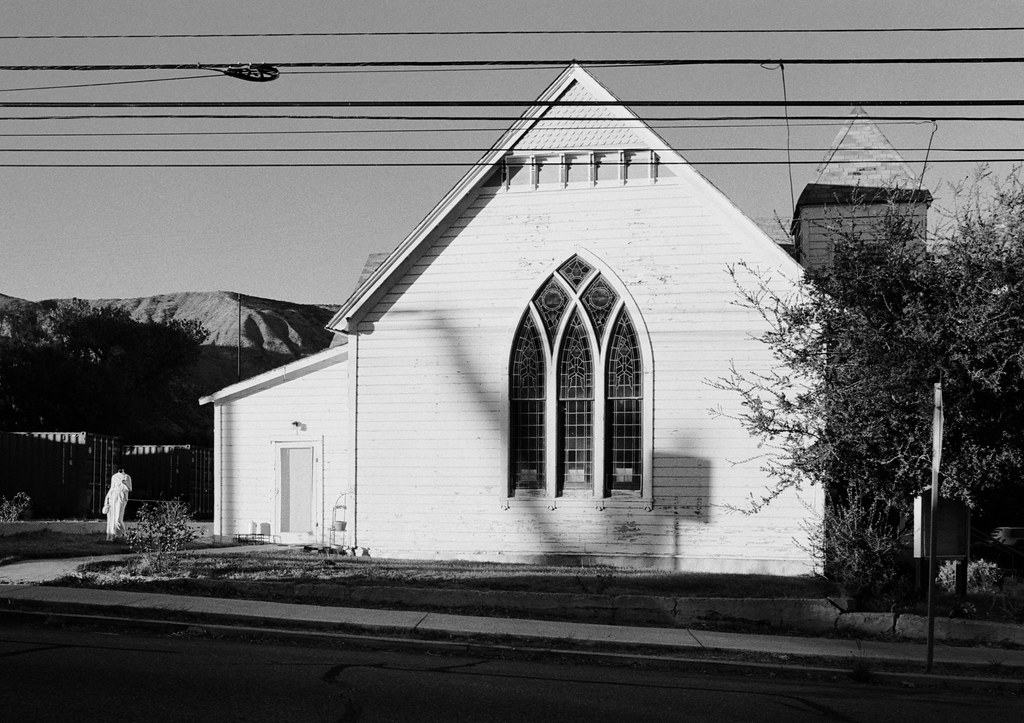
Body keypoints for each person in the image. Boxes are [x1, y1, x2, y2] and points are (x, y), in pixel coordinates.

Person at [102, 468, 132, 541]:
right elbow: (112, 488)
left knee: (118, 518)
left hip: (121, 496)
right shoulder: (114, 476)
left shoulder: (127, 477)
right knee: (112, 517)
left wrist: (125, 483)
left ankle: (122, 536)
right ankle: (112, 536)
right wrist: (107, 499)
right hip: (113, 496)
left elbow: (130, 489)